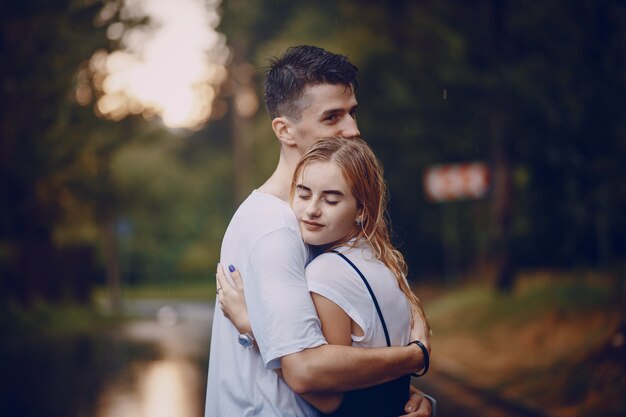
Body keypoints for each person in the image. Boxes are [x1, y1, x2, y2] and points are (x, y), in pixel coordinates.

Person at [204, 45, 433, 417]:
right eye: (333, 117)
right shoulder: (276, 229)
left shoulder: (314, 226)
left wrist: (403, 393)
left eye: (352, 113)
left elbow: (332, 351)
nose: (353, 129)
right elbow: (309, 374)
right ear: (284, 130)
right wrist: (413, 357)